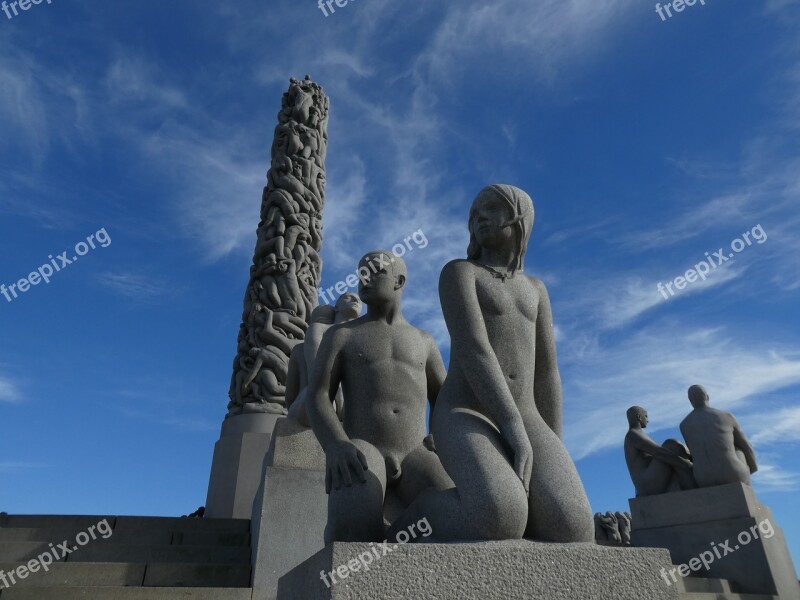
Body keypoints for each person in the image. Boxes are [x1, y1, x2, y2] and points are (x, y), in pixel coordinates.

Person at [389, 184, 593, 543]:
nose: (480, 217)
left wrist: (553, 447)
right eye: (475, 213)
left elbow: (547, 373)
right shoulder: (460, 273)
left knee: (572, 525)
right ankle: (415, 518)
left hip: (528, 415)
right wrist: (511, 426)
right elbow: (474, 350)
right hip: (467, 411)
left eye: (492, 209)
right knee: (501, 516)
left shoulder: (536, 289)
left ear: (520, 218)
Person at [306, 251, 453, 543]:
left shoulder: (424, 342)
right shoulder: (342, 335)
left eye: (375, 272)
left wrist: (440, 435)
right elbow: (318, 395)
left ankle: (393, 539)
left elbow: (445, 397)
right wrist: (336, 445)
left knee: (454, 508)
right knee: (351, 532)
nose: (365, 279)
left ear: (399, 281)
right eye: (361, 273)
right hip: (363, 451)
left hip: (414, 454)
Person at [285, 293, 362, 426]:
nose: (355, 300)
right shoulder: (319, 329)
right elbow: (316, 371)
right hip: (321, 396)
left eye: (359, 300)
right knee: (321, 401)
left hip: (349, 401)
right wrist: (336, 389)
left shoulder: (363, 338)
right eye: (348, 297)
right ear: (336, 307)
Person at [680, 385, 757, 487]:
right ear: (707, 397)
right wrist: (752, 468)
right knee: (739, 449)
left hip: (703, 479)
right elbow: (745, 445)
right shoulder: (726, 416)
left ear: (690, 400)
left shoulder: (684, 424)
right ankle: (748, 495)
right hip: (733, 474)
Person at [624, 406, 695, 496]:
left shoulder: (637, 434)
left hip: (650, 479)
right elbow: (659, 452)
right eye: (646, 416)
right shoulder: (633, 435)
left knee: (672, 450)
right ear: (639, 417)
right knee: (671, 444)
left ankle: (691, 485)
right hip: (646, 484)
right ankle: (693, 487)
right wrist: (685, 463)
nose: (647, 420)